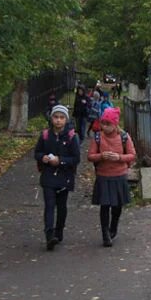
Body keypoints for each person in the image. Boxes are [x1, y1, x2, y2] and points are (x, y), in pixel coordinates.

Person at [87, 107, 136, 247]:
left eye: (108, 124)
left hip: (119, 175)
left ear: (115, 124)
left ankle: (113, 228)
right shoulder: (97, 137)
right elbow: (90, 156)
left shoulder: (124, 137)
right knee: (105, 205)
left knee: (117, 206)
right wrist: (101, 156)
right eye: (103, 123)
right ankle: (105, 234)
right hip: (103, 175)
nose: (105, 127)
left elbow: (132, 155)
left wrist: (119, 157)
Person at [34, 105, 80, 251]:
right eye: (56, 117)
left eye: (61, 118)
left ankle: (59, 231)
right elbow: (37, 153)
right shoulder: (46, 135)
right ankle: (49, 234)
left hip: (64, 176)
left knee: (61, 207)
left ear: (66, 119)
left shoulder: (72, 137)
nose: (58, 121)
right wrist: (44, 158)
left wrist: (61, 160)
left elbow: (76, 158)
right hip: (48, 175)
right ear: (51, 118)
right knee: (49, 205)